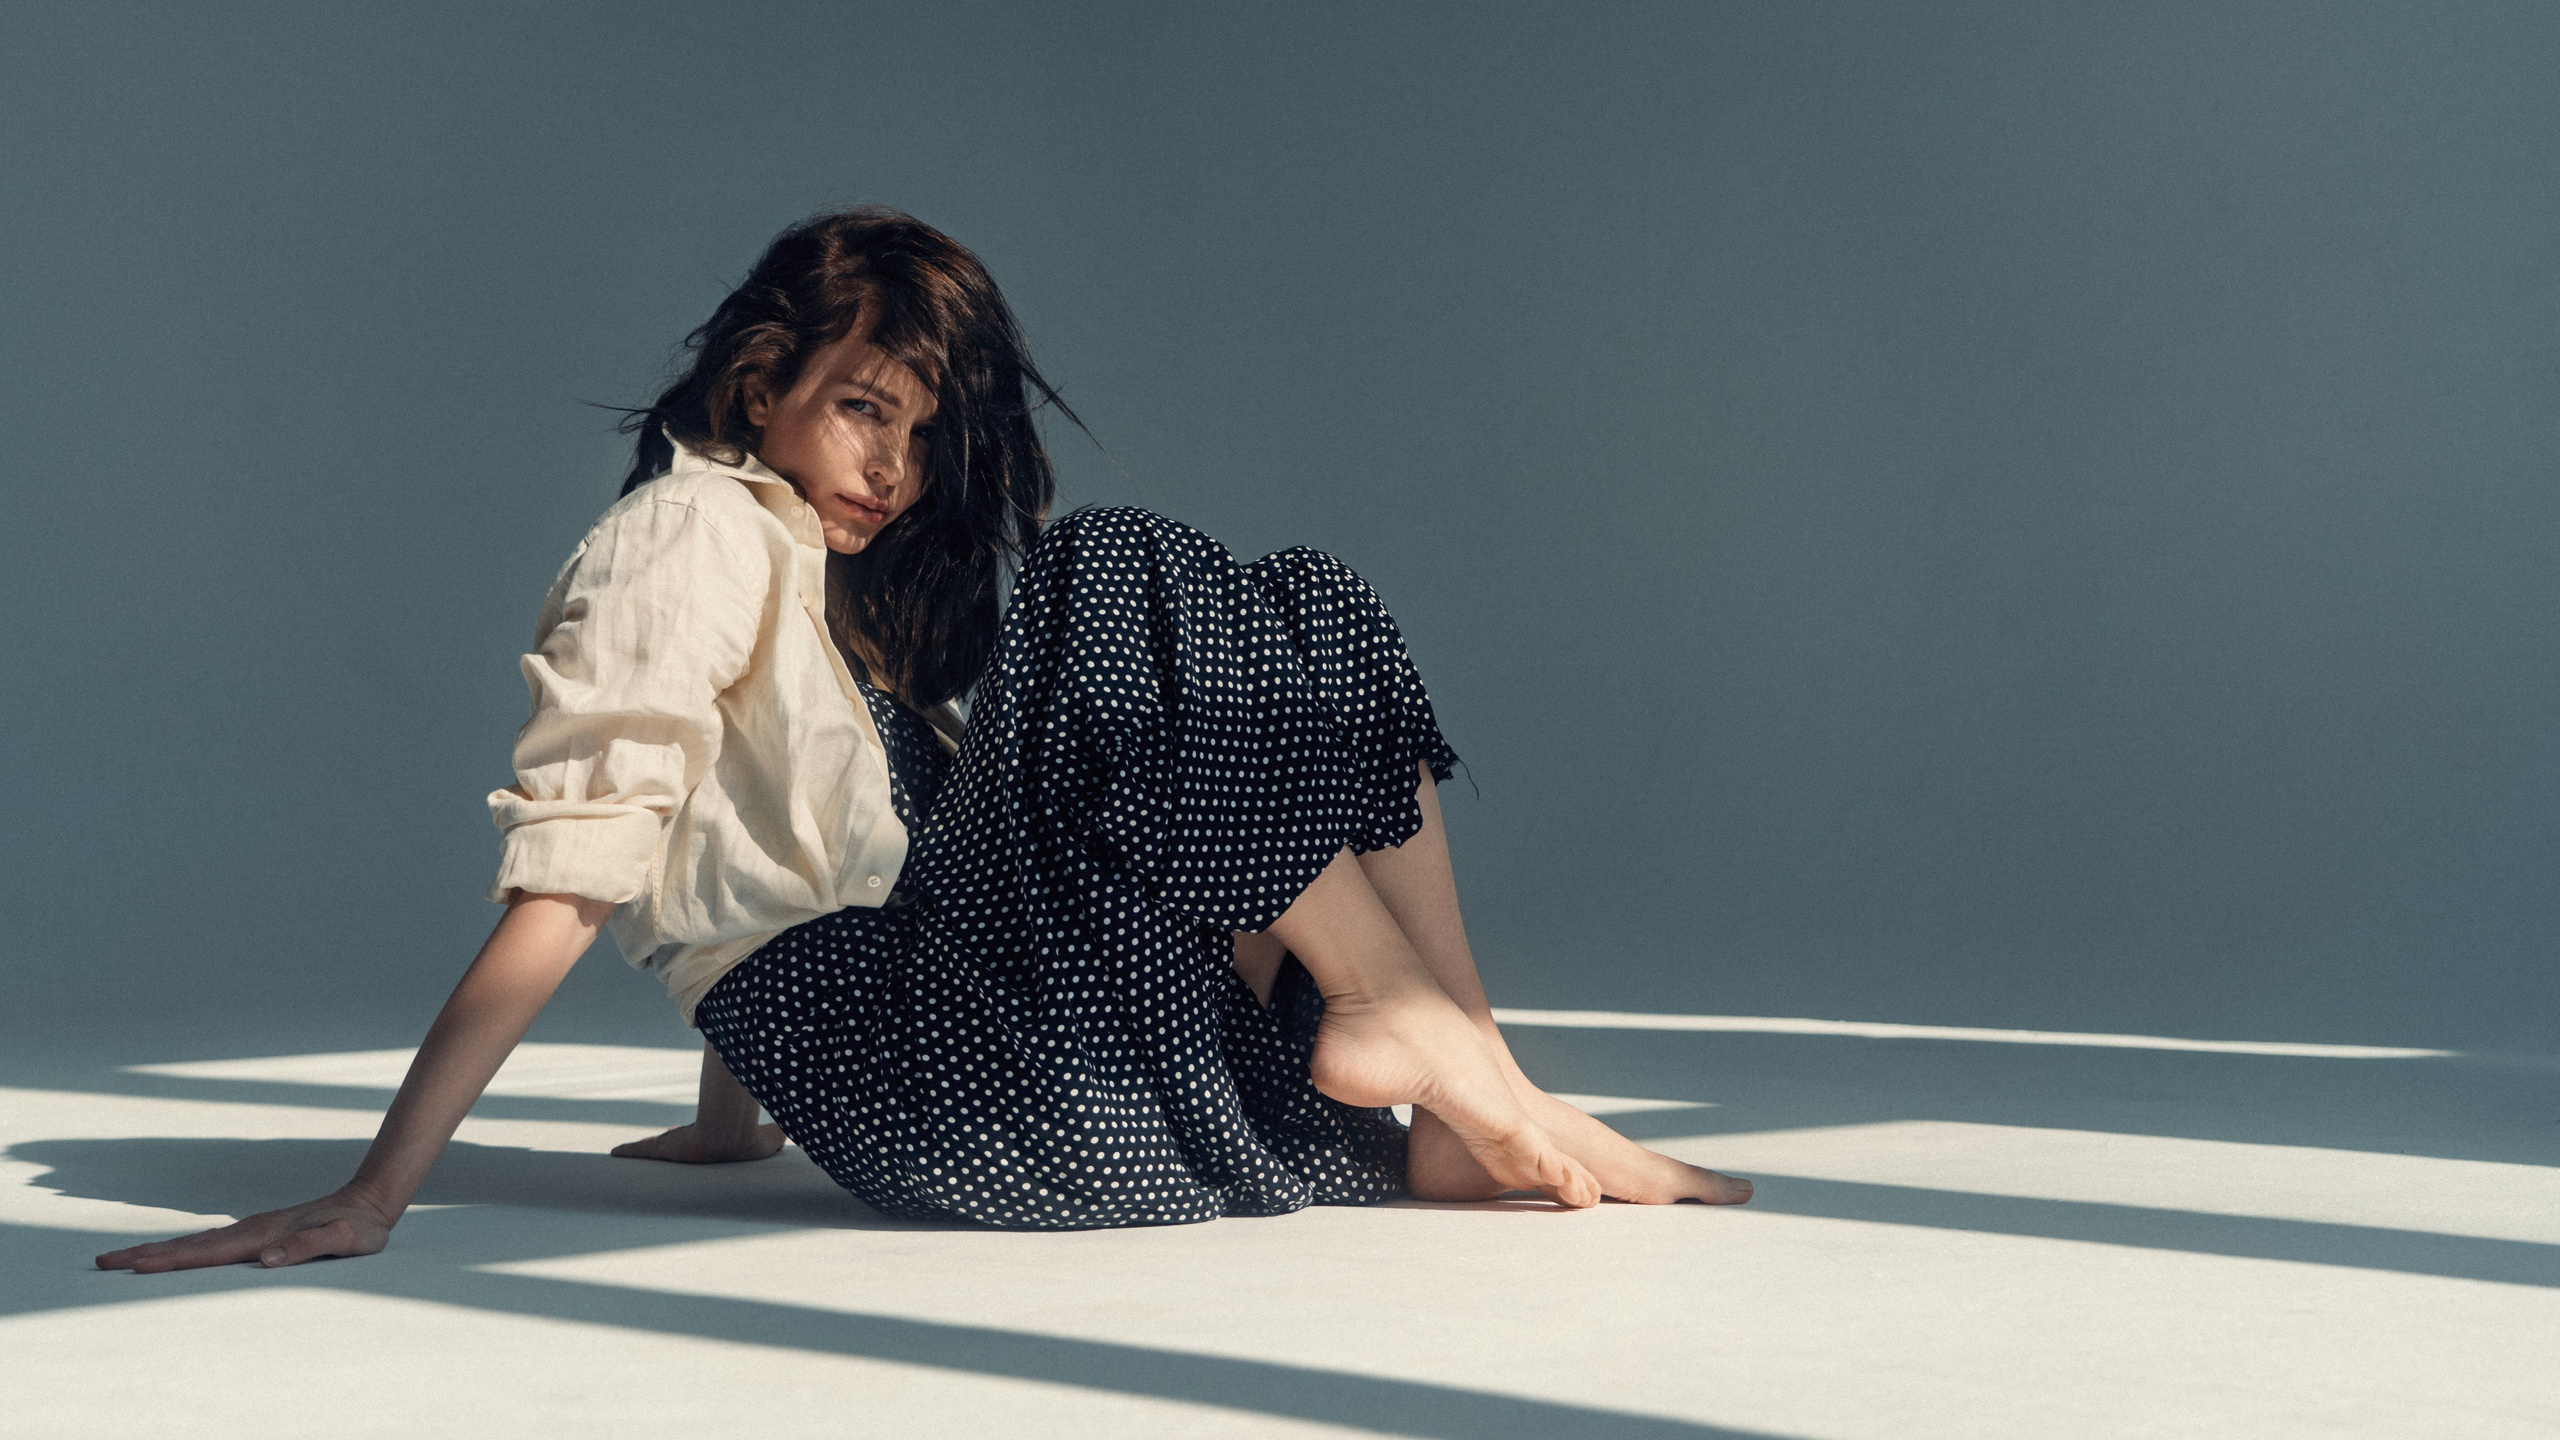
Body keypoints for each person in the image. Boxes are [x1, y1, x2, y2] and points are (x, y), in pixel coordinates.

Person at [97, 208, 1749, 1273]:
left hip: (1057, 1093)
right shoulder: (695, 537)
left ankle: (1469, 1085)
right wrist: (381, 1188)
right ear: (761, 386)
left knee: (1307, 610)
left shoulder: (822, 587)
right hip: (969, 1099)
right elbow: (588, 866)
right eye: (862, 407)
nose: (893, 467)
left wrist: (733, 1124)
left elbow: (769, 841)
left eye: (923, 429)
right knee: (1129, 575)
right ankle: (1403, 1023)